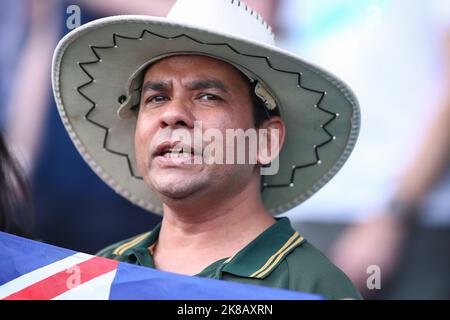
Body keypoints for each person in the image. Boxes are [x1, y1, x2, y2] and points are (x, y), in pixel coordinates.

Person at [51, 0, 362, 299]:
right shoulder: (102, 272)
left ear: (265, 141)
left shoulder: (313, 287)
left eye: (208, 96)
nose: (172, 114)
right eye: (156, 98)